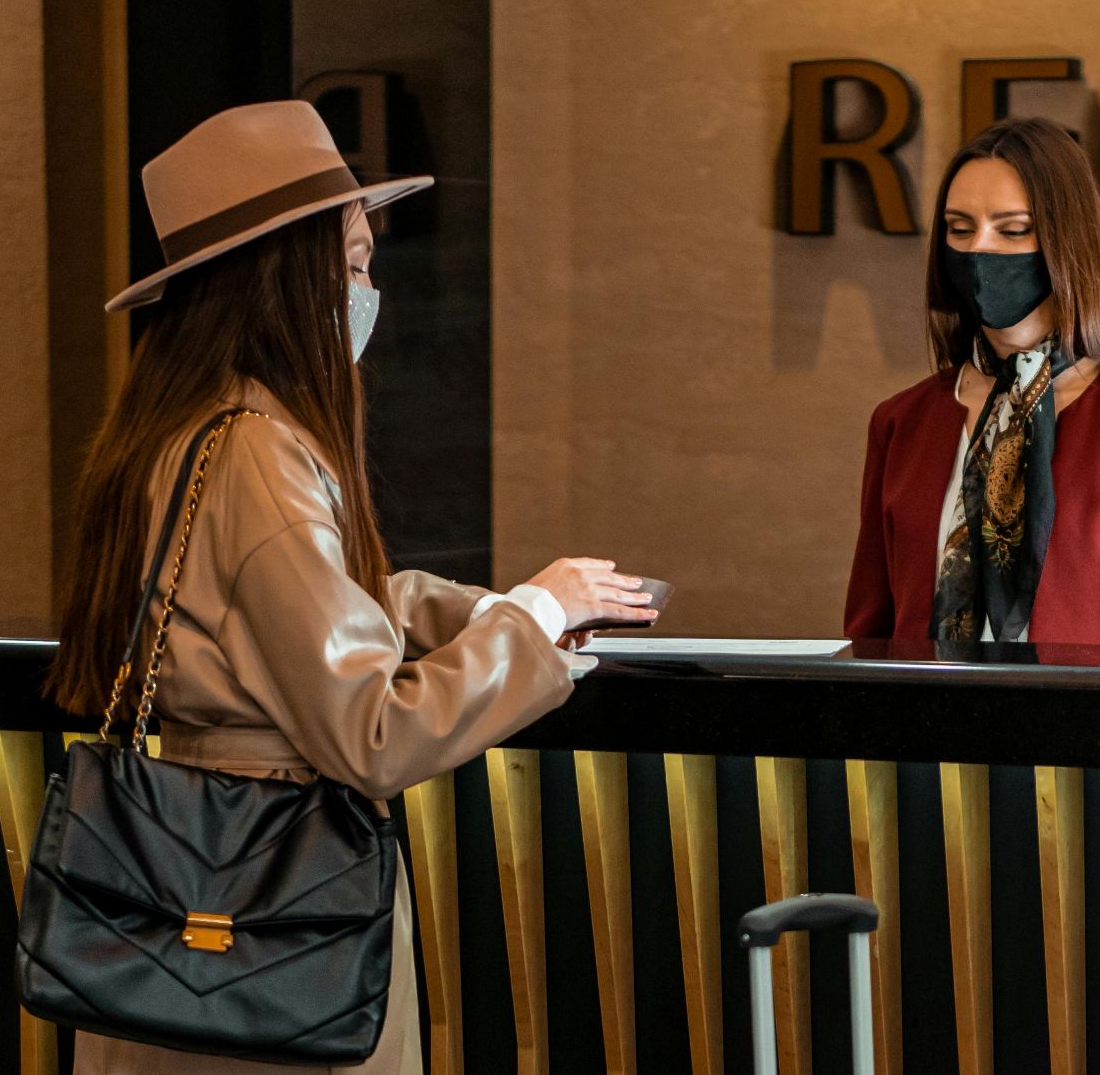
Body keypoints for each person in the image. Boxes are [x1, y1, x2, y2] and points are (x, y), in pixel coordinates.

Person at [44, 100, 656, 1074]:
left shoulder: (178, 435)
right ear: (284, 280)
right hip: (273, 926)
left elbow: (297, 595)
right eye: (356, 266)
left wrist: (477, 610)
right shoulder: (260, 455)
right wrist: (534, 619)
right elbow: (375, 734)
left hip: (176, 938)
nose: (368, 295)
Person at [844, 117, 1100, 648]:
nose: (979, 249)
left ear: (1065, 238)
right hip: (920, 725)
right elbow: (867, 637)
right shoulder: (901, 422)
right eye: (960, 229)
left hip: (1084, 728)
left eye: (1013, 230)